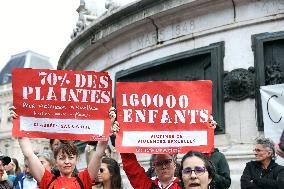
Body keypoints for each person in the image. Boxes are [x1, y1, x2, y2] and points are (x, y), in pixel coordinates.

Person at [10, 106, 117, 189]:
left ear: (76, 159)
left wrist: (107, 126)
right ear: (55, 162)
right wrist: (18, 122)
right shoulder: (47, 179)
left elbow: (98, 154)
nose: (67, 162)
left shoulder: (84, 179)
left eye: (70, 157)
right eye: (62, 158)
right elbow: (29, 154)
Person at [112, 115, 217, 189]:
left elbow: (200, 161)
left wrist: (208, 130)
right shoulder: (146, 186)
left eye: (167, 162)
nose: (163, 166)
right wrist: (121, 136)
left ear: (174, 164)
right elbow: (131, 167)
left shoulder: (186, 183)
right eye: (159, 163)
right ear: (154, 167)